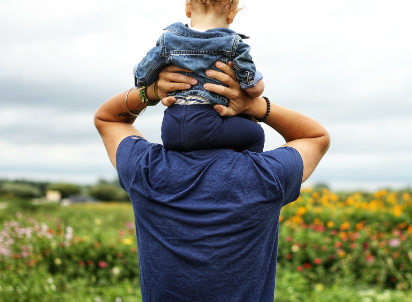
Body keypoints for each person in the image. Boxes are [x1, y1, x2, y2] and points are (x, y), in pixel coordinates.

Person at [94, 61, 330, 301]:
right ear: (243, 123)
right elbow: (315, 137)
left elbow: (109, 119)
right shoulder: (266, 176)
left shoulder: (146, 169)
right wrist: (255, 105)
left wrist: (151, 92)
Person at [134, 0, 265, 152]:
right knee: (255, 134)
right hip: (209, 124)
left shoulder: (168, 40)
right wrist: (257, 84)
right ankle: (247, 175)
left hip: (171, 127)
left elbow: (142, 77)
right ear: (231, 15)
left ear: (188, 8)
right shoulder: (233, 44)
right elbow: (252, 87)